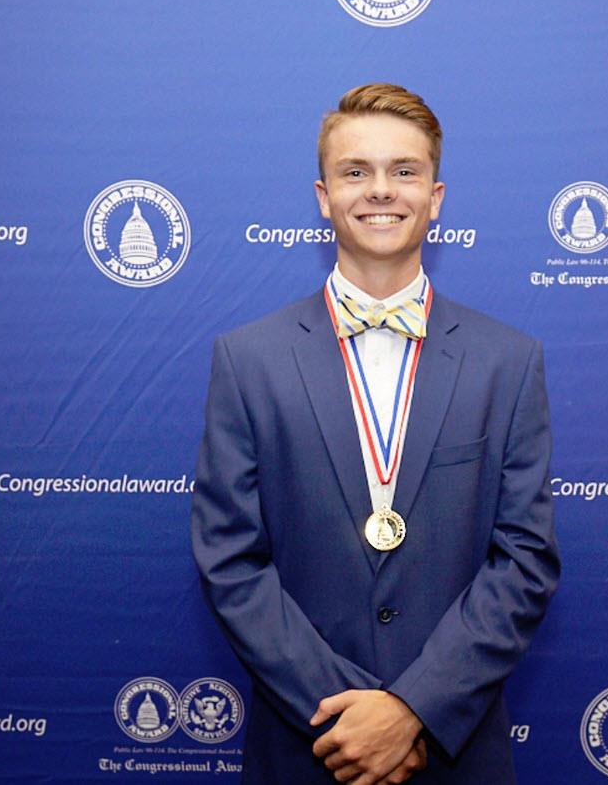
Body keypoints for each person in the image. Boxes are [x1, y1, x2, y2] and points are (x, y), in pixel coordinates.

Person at [191, 83, 560, 785]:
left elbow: (524, 560)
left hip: (451, 750)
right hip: (309, 747)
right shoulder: (248, 359)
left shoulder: (507, 362)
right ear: (324, 196)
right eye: (356, 171)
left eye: (404, 171)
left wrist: (415, 709)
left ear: (436, 197)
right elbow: (230, 560)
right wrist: (351, 719)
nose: (381, 190)